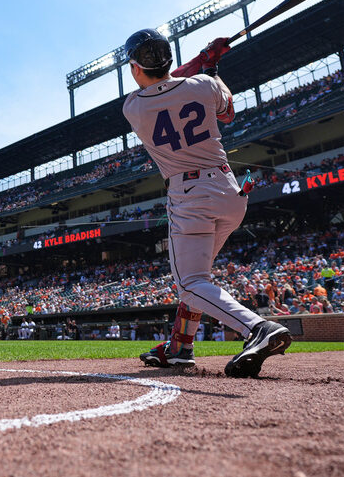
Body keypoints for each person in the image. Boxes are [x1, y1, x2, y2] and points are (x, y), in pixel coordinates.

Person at [121, 28, 291, 378]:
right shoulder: (204, 84)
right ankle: (180, 347)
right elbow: (227, 112)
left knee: (191, 282)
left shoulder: (133, 107)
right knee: (198, 279)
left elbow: (165, 85)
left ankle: (258, 327)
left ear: (136, 67)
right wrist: (211, 68)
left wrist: (202, 61)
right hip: (229, 191)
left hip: (190, 196)